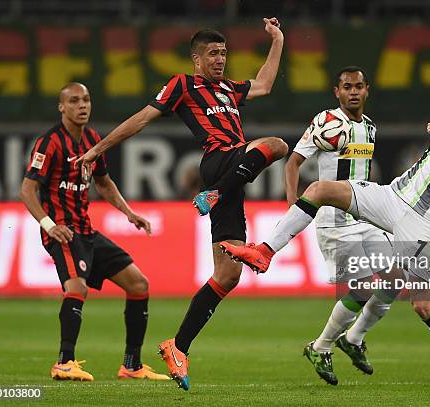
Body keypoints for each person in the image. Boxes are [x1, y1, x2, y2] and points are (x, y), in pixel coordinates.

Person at [221, 68, 430, 399]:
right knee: (320, 189)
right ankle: (265, 251)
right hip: (393, 196)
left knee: (422, 305)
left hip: (421, 223)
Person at [76, 18, 287, 390]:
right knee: (277, 145)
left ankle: (178, 346)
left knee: (228, 274)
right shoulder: (183, 84)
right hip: (219, 161)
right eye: (213, 54)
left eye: (223, 53)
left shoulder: (228, 88)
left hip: (232, 175)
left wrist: (278, 40)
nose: (220, 60)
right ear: (196, 58)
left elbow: (267, 84)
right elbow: (141, 119)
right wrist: (96, 149)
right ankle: (215, 192)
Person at [20, 82, 169, 382]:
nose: (82, 105)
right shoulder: (49, 143)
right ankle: (64, 362)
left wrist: (129, 213)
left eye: (86, 99)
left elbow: (103, 182)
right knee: (77, 288)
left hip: (86, 231)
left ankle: (132, 365)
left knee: (139, 284)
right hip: (62, 232)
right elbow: (27, 190)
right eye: (74, 101)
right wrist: (49, 225)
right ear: (62, 107)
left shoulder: (92, 140)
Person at [285, 66, 396, 385]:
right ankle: (321, 347)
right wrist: (294, 205)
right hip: (335, 222)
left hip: (367, 217)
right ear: (337, 91)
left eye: (359, 87)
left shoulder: (371, 128)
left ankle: (353, 338)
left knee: (395, 278)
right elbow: (294, 162)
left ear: (367, 90)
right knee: (361, 289)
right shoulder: (327, 122)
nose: (353, 92)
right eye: (347, 86)